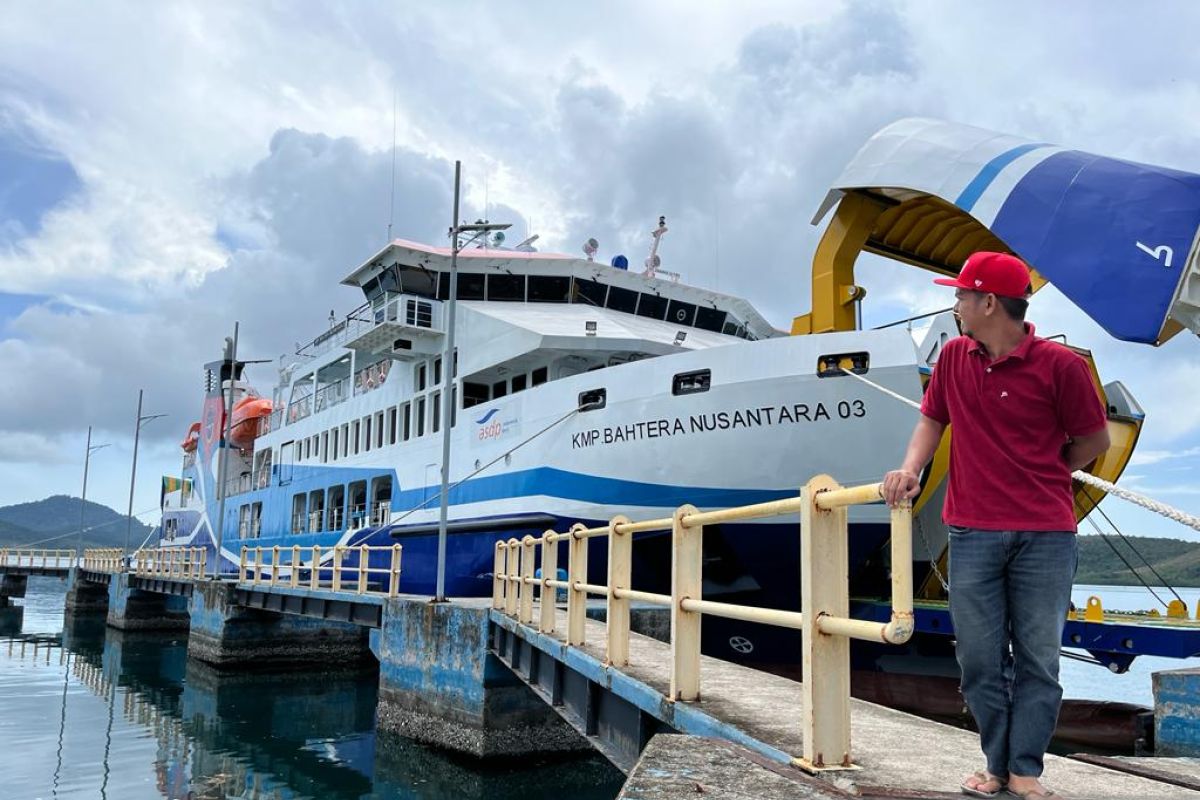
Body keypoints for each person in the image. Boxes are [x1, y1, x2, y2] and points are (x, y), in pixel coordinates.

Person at [882, 251, 1111, 800]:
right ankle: (995, 764)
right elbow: (932, 419)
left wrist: (1046, 470)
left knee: (1039, 658)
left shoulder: (1062, 367)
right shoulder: (955, 358)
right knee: (979, 659)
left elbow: (1094, 441)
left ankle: (1023, 770)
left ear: (989, 302)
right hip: (972, 531)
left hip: (1046, 536)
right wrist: (909, 469)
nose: (955, 303)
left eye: (961, 294)